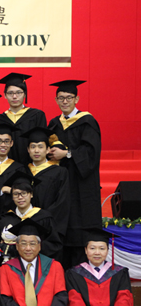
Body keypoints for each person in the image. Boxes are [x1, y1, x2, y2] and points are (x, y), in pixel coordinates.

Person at [47, 80, 102, 268]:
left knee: (80, 229)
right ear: (56, 100)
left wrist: (67, 154)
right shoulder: (54, 124)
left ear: (76, 99)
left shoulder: (87, 121)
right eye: (61, 98)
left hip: (81, 185)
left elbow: (91, 153)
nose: (64, 101)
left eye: (69, 98)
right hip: (61, 183)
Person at [22, 127, 70, 249]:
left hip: (50, 228)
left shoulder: (60, 172)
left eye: (40, 146)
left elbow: (62, 202)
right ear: (28, 150)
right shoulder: (22, 172)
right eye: (33, 147)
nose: (36, 150)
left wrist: (42, 218)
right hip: (25, 228)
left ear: (48, 149)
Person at [0, 172, 63, 261]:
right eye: (16, 194)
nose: (20, 197)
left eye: (24, 193)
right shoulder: (6, 218)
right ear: (12, 197)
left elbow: (54, 244)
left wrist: (33, 247)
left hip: (37, 264)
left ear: (31, 194)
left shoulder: (43, 217)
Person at [0, 73, 47, 164]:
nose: (14, 96)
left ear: (25, 94)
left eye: (18, 92)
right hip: (7, 168)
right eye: (10, 93)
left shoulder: (37, 115)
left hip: (32, 166)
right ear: (5, 95)